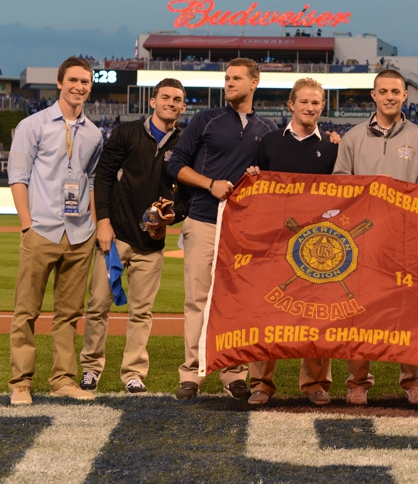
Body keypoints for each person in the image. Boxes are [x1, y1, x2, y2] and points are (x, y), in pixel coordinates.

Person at [167, 58, 278, 400]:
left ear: (254, 82)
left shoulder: (268, 129)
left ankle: (234, 374)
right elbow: (175, 166)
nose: (229, 83)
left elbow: (276, 180)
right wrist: (210, 183)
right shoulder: (205, 119)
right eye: (227, 78)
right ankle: (192, 373)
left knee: (238, 302)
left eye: (236, 78)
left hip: (243, 229)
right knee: (197, 299)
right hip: (202, 219)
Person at [332, 69, 418, 405]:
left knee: (408, 311)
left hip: (404, 240)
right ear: (373, 95)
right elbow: (340, 187)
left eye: (396, 91)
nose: (390, 96)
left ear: (406, 95)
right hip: (362, 242)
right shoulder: (352, 138)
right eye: (383, 91)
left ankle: (414, 381)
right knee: (358, 312)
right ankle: (358, 382)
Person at [79, 78, 188, 394]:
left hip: (152, 243)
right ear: (152, 102)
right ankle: (91, 368)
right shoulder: (126, 132)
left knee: (142, 311)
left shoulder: (184, 143)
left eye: (177, 99)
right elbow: (103, 180)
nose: (170, 102)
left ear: (182, 106)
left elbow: (187, 194)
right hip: (116, 236)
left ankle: (133, 373)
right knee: (98, 303)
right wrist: (103, 223)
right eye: (165, 97)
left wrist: (173, 216)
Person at [7, 57, 103, 405]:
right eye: (74, 80)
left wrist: (92, 225)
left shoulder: (94, 133)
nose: (80, 86)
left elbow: (91, 181)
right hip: (41, 230)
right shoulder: (32, 125)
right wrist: (26, 224)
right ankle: (20, 383)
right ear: (60, 83)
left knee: (69, 314)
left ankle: (62, 379)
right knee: (26, 311)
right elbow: (17, 177)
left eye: (86, 81)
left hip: (79, 234)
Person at [247, 77, 339, 406]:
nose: (310, 107)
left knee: (317, 314)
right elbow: (253, 186)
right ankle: (260, 383)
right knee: (267, 310)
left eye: (316, 103)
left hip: (316, 245)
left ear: (321, 107)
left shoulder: (332, 148)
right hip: (274, 241)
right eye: (304, 102)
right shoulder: (270, 142)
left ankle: (315, 383)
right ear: (291, 105)